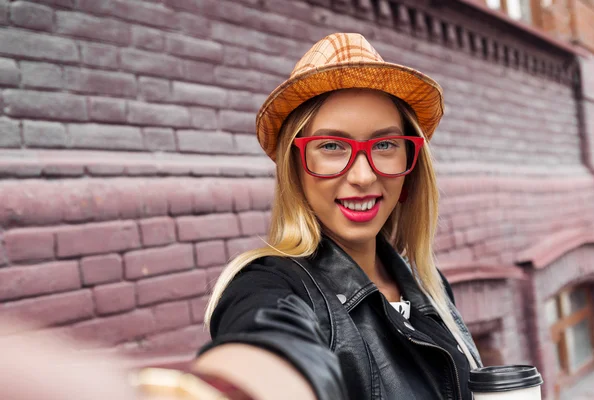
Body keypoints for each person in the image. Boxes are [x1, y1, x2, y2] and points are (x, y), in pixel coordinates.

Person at [0, 33, 483, 400]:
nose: (361, 175)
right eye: (331, 146)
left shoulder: (427, 281)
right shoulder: (269, 287)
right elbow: (270, 352)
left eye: (384, 145)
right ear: (295, 168)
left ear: (410, 162)